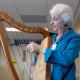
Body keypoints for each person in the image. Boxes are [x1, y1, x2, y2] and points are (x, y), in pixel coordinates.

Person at [26, 3, 80, 80]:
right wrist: (37, 52)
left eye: (55, 19)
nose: (51, 22)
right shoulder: (51, 39)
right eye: (51, 19)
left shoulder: (74, 38)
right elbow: (43, 60)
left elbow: (67, 58)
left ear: (65, 20)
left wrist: (41, 49)